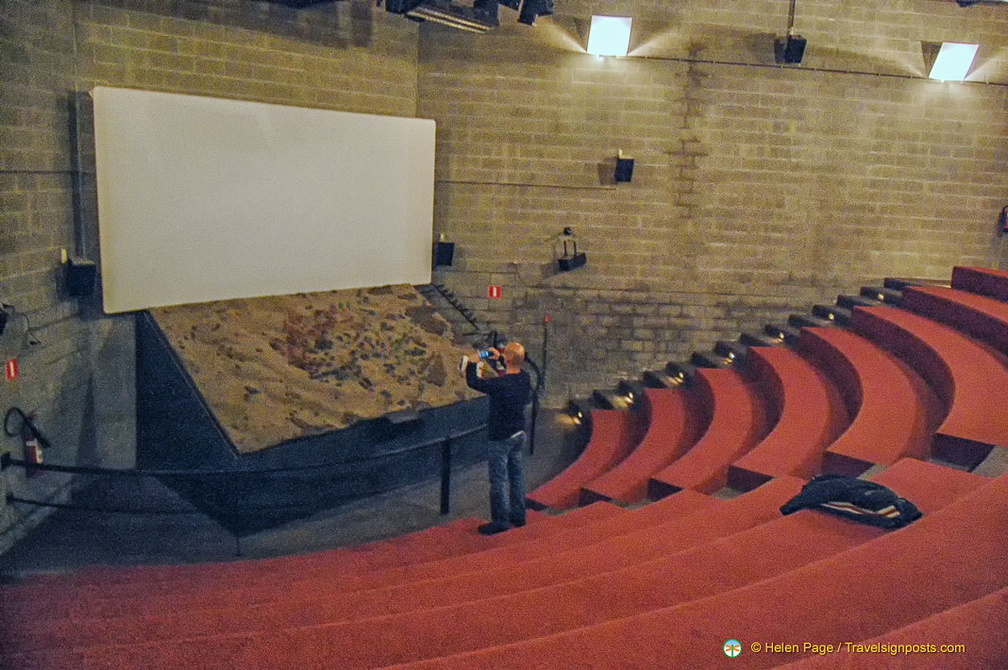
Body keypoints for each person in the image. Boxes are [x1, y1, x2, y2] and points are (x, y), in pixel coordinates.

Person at [464, 341, 532, 535]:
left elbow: (474, 382)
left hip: (500, 436)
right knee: (517, 475)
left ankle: (500, 520)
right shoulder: (525, 378)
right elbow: (512, 367)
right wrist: (500, 358)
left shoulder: (501, 384)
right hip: (519, 433)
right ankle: (519, 514)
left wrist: (473, 362)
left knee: (499, 480)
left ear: (509, 358)